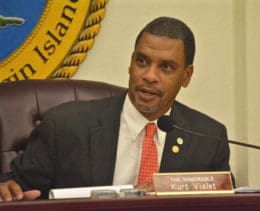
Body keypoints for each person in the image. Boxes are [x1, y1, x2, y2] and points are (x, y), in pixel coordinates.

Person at [0, 16, 232, 201]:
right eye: (142, 61)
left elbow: (227, 203)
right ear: (131, 64)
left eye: (166, 67)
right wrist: (8, 190)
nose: (149, 76)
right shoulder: (65, 127)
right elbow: (14, 186)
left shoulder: (208, 140)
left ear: (186, 76)